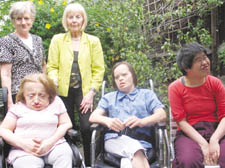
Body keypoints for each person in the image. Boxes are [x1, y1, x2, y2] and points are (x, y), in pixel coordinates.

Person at [46, 3, 105, 166]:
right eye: (70, 17)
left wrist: (91, 93)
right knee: (66, 129)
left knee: (87, 128)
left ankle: (90, 162)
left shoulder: (93, 41)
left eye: (77, 17)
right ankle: (71, 162)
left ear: (83, 19)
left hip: (85, 92)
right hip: (62, 92)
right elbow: (52, 66)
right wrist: (54, 82)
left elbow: (99, 69)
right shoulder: (57, 40)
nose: (74, 20)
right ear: (66, 20)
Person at [89, 61, 167, 168]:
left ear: (133, 76)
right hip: (114, 141)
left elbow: (162, 114)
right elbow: (93, 116)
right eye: (117, 77)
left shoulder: (147, 95)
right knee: (136, 150)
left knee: (128, 162)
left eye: (124, 75)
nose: (120, 79)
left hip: (142, 142)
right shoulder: (109, 98)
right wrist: (108, 121)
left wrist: (142, 122)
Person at [168, 42, 225, 167]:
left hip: (217, 130)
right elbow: (181, 121)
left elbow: (224, 116)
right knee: (188, 160)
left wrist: (214, 140)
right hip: (190, 133)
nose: (205, 62)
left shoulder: (215, 83)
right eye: (198, 60)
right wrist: (203, 144)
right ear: (187, 68)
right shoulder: (175, 88)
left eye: (205, 57)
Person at [0, 73, 73, 168]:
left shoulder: (56, 102)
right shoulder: (18, 108)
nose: (36, 100)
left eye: (42, 95)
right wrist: (23, 144)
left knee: (64, 154)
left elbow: (66, 123)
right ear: (24, 96)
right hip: (24, 151)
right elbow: (3, 130)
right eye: (31, 96)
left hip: (54, 146)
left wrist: (50, 142)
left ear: (49, 95)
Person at [0, 1, 46, 110]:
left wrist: (46, 89)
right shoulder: (6, 41)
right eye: (19, 19)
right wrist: (9, 102)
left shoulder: (37, 40)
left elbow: (43, 66)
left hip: (39, 93)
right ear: (13, 21)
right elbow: (5, 74)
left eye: (26, 18)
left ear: (32, 19)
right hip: (20, 94)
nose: (23, 22)